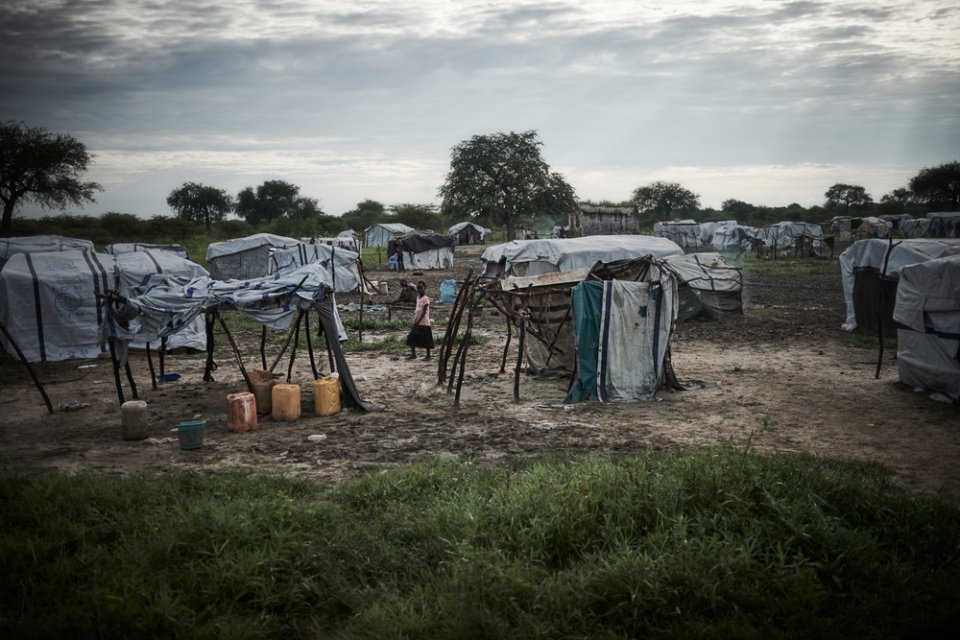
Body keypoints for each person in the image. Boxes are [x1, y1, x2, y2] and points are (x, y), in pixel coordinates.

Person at [406, 282, 434, 360]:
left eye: (421, 288)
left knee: (426, 340)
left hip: (424, 322)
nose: (419, 290)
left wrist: (418, 321)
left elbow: (424, 312)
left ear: (424, 288)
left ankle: (428, 356)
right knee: (412, 338)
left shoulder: (425, 298)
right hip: (417, 321)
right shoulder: (418, 298)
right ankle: (413, 354)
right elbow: (417, 310)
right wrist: (415, 320)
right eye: (418, 288)